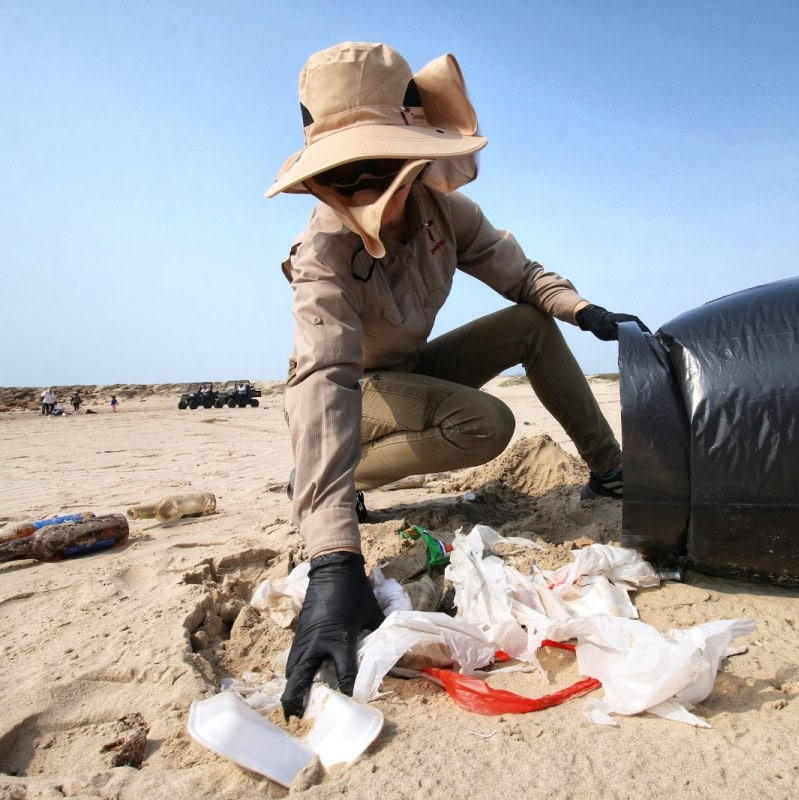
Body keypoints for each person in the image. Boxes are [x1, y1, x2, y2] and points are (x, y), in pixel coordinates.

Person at [267, 42, 649, 719]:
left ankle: (611, 470)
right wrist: (333, 559)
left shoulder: (447, 214)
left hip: (410, 371)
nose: (364, 188)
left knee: (531, 325)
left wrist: (583, 309)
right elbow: (324, 377)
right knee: (484, 423)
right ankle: (328, 479)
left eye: (379, 167)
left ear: (414, 157)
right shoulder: (323, 251)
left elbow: (521, 276)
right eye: (346, 173)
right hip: (356, 391)